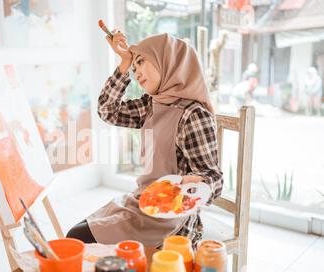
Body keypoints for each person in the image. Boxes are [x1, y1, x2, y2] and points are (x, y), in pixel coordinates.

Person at [66, 32, 223, 248]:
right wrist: (124, 63)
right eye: (134, 67)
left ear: (167, 61)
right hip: (141, 203)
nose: (137, 72)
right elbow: (107, 111)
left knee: (78, 239)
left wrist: (200, 184)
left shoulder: (193, 115)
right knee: (75, 234)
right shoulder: (151, 104)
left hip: (172, 219)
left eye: (141, 62)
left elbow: (214, 177)